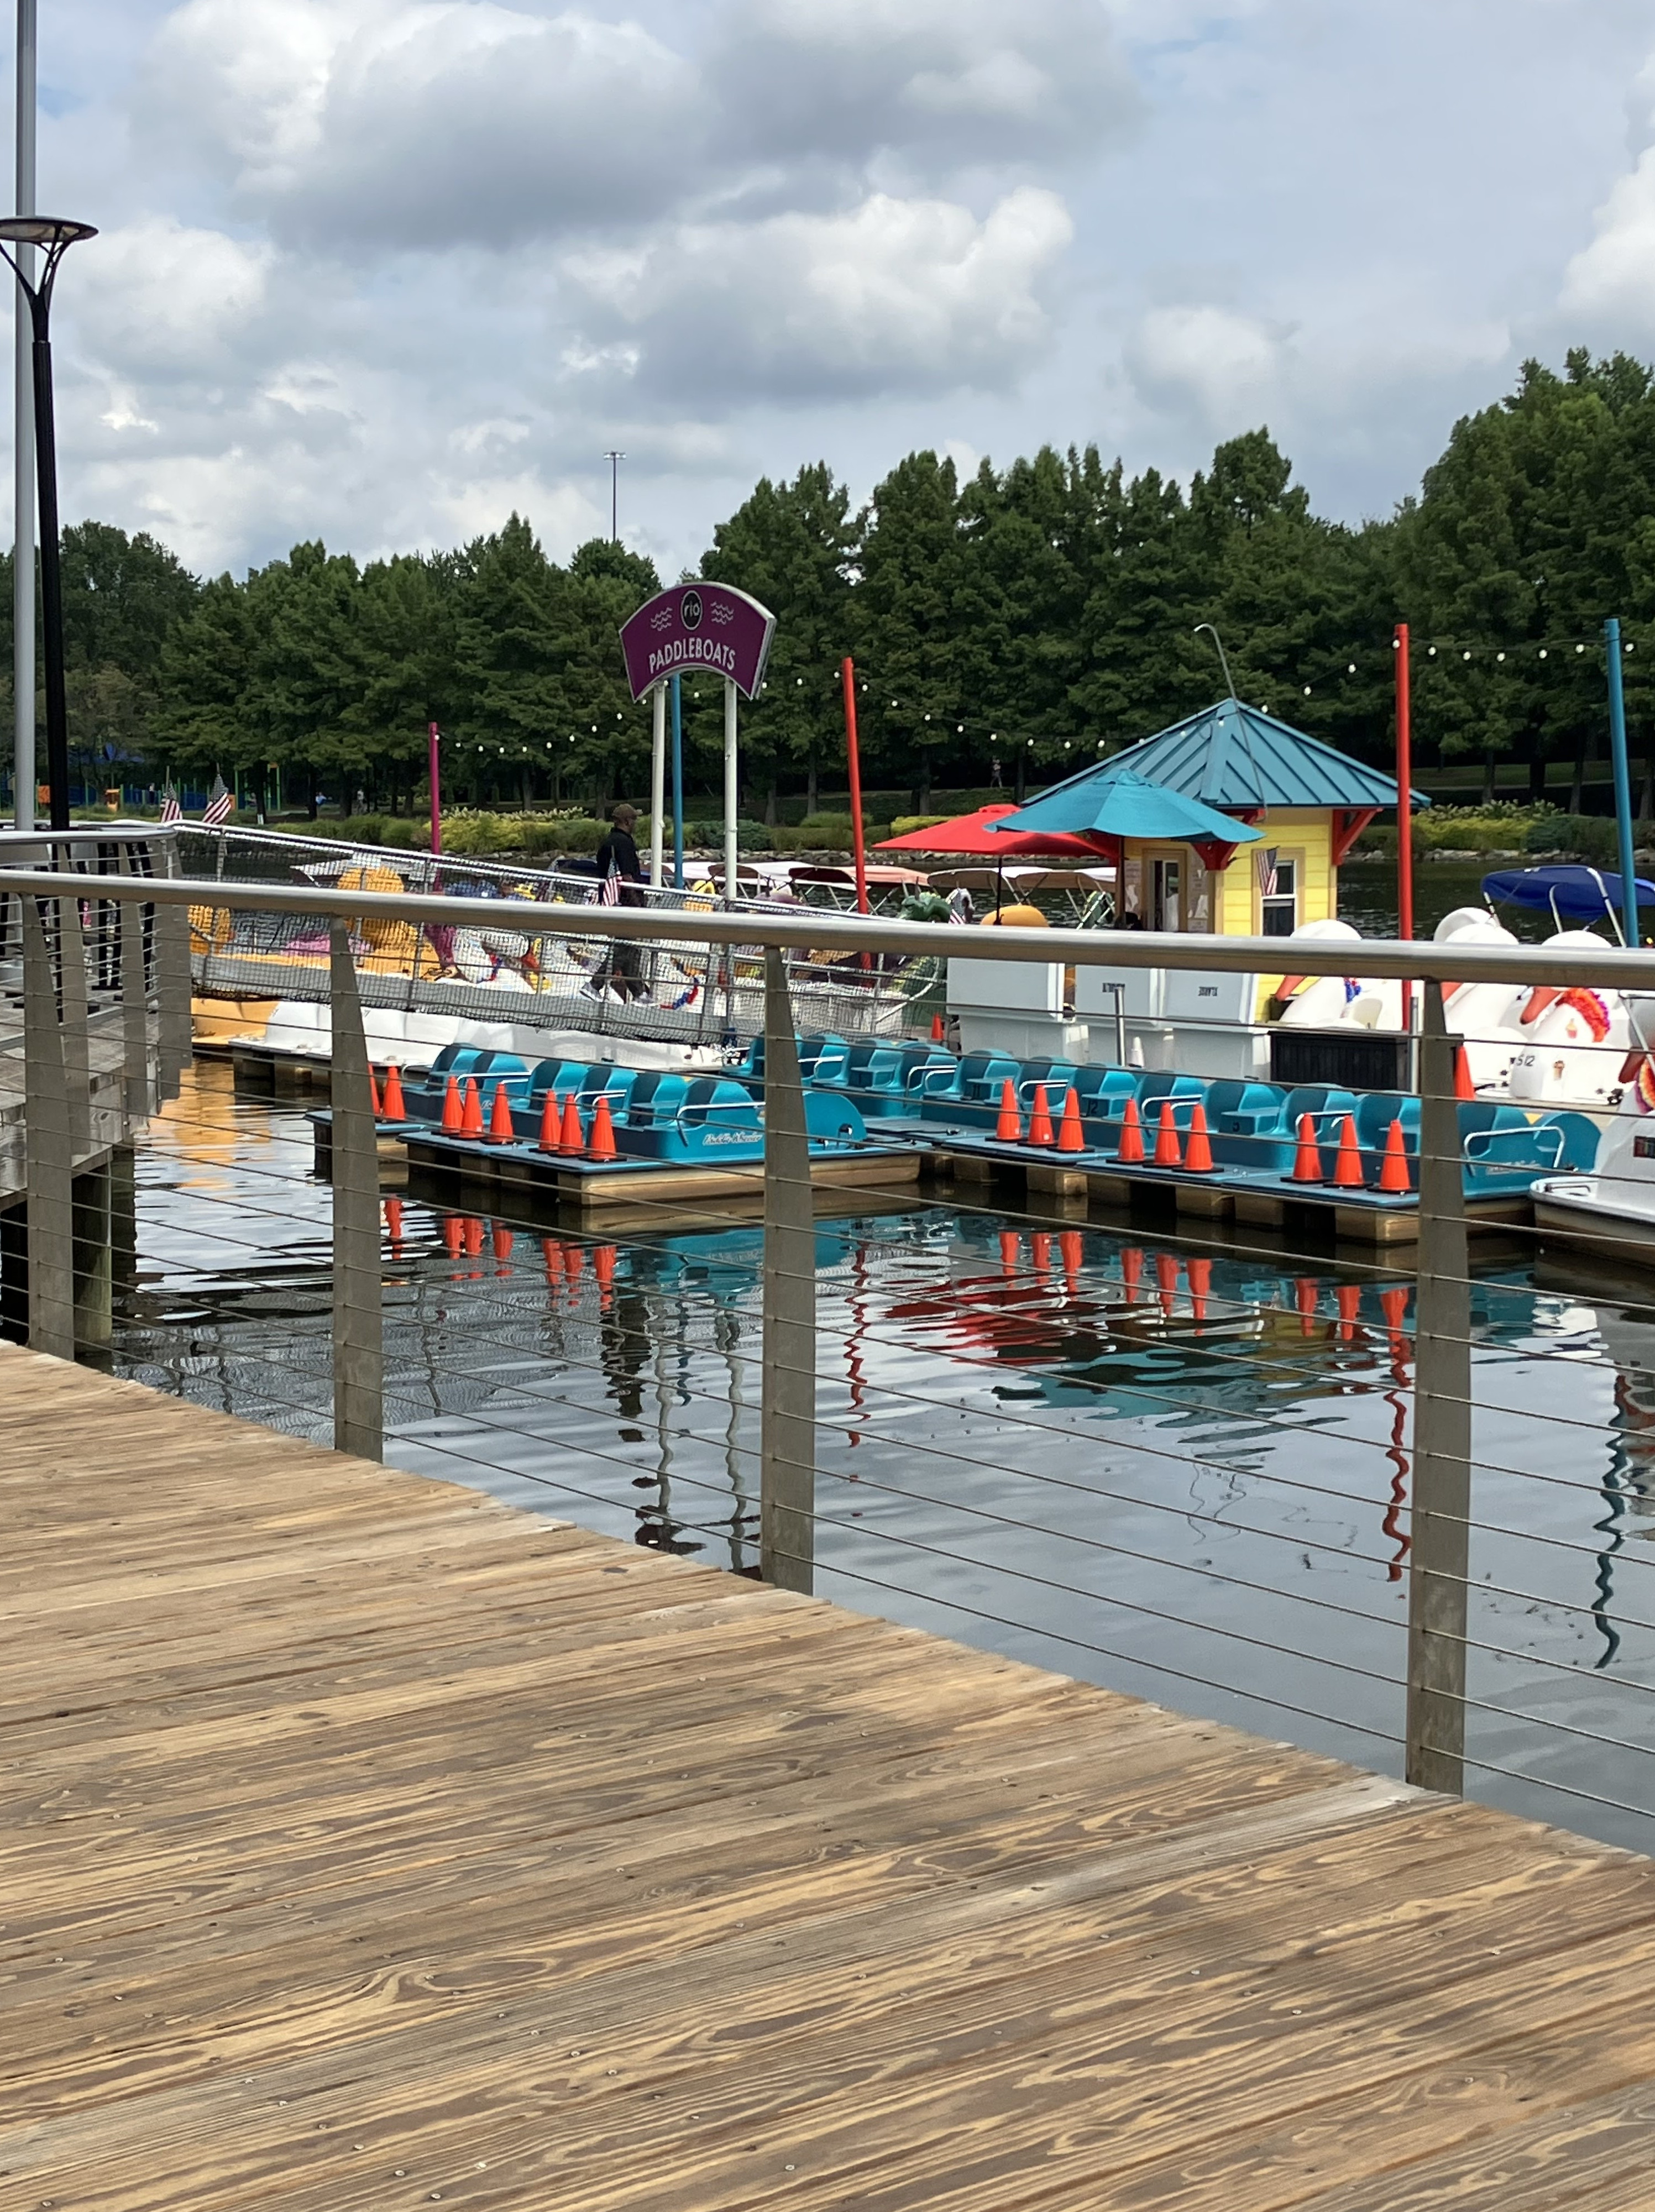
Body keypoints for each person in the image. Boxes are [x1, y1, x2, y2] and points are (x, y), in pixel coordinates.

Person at [591, 801, 650, 1000]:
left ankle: (639, 993)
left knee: (630, 948)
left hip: (614, 901)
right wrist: (637, 904)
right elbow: (627, 877)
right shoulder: (623, 842)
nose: (636, 822)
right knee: (625, 947)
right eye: (634, 819)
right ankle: (594, 985)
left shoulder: (609, 841)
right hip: (624, 903)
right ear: (626, 821)